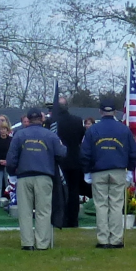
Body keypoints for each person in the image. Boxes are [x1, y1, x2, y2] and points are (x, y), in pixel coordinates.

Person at [5, 107, 66, 251]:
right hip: (44, 176)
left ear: (28, 119)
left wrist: (12, 172)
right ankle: (42, 243)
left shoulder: (19, 135)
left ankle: (27, 243)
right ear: (42, 118)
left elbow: (11, 158)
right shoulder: (50, 135)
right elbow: (62, 154)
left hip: (24, 176)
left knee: (25, 211)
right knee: (43, 211)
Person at [81, 98, 136, 249]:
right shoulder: (123, 129)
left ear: (100, 111)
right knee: (116, 205)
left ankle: (103, 239)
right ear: (114, 112)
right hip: (118, 170)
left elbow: (85, 153)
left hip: (98, 171)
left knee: (101, 205)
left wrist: (86, 171)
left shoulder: (93, 129)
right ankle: (116, 239)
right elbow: (133, 152)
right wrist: (130, 170)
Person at [53, 96, 85, 228]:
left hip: (59, 161)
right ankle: (73, 219)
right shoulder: (77, 121)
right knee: (73, 191)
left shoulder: (54, 122)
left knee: (60, 191)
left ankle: (61, 218)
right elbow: (80, 139)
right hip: (74, 159)